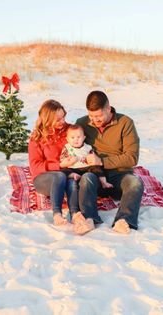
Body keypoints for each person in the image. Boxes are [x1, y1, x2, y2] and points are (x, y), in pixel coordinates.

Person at [76, 91, 144, 234]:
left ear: (108, 109)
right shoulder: (82, 123)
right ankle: (89, 219)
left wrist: (102, 161)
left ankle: (123, 220)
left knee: (135, 183)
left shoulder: (125, 123)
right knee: (86, 179)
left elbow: (132, 158)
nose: (94, 120)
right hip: (94, 175)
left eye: (99, 116)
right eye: (91, 116)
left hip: (119, 176)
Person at [28, 99, 94, 235]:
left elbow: (81, 148)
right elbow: (35, 167)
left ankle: (75, 214)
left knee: (71, 181)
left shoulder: (69, 130)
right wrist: (60, 165)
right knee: (59, 175)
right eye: (58, 119)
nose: (62, 121)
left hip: (68, 173)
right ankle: (57, 214)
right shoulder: (37, 138)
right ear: (47, 119)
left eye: (63, 116)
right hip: (45, 179)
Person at [60, 124, 113, 189]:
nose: (76, 139)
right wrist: (69, 161)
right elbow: (63, 158)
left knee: (97, 168)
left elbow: (93, 157)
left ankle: (104, 182)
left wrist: (90, 158)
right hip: (73, 168)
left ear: (84, 138)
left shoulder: (87, 147)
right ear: (67, 139)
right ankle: (73, 175)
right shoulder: (67, 147)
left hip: (87, 167)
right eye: (72, 137)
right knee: (63, 171)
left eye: (78, 137)